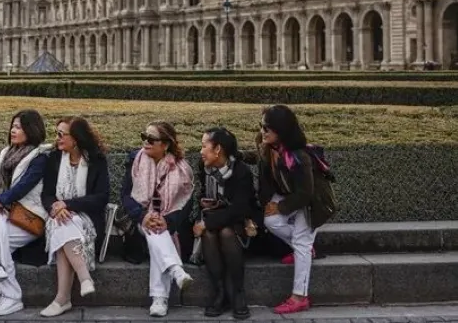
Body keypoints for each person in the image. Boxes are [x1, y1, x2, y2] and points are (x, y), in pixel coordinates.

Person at [258, 105, 337, 315]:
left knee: (301, 241)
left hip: (312, 203)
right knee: (271, 221)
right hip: (290, 195)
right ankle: (306, 251)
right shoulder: (269, 147)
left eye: (267, 128)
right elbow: (260, 159)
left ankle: (299, 297)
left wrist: (281, 207)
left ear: (281, 130)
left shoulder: (298, 157)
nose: (262, 131)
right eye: (261, 126)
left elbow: (306, 194)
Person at [0, 109, 52, 316]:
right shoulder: (5, 154)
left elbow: (23, 187)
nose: (13, 130)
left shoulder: (40, 157)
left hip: (29, 217)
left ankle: (6, 289)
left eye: (19, 127)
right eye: (13, 126)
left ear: (31, 129)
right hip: (4, 213)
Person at [120, 121, 195, 318]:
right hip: (140, 218)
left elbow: (186, 204)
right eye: (144, 136)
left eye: (151, 139)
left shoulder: (181, 168)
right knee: (154, 229)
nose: (146, 142)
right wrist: (144, 216)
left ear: (166, 145)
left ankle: (159, 298)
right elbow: (126, 197)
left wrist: (167, 221)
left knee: (159, 233)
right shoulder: (135, 160)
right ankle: (176, 270)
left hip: (169, 221)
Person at [39, 117, 110, 318]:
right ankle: (84, 277)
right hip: (57, 215)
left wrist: (68, 204)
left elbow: (101, 197)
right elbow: (46, 194)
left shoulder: (96, 160)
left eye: (62, 134)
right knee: (62, 223)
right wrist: (56, 206)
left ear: (76, 138)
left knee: (65, 228)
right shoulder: (54, 159)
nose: (57, 138)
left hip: (88, 219)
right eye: (57, 133)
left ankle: (62, 299)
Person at [194, 127, 258, 319]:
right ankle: (219, 292)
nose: (201, 151)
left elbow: (240, 209)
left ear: (218, 149)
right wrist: (205, 208)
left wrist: (208, 222)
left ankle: (238, 292)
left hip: (239, 223)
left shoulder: (240, 172)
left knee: (226, 233)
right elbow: (202, 196)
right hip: (213, 217)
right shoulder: (204, 167)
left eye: (204, 146)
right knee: (210, 233)